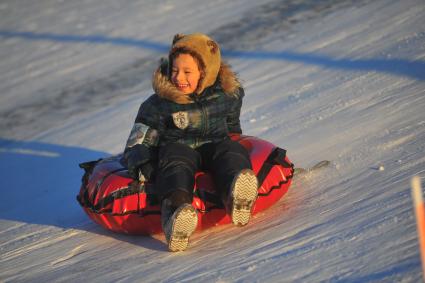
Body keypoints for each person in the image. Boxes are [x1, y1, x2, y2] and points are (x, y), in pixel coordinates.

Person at [123, 33, 258, 252]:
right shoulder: (159, 105)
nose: (179, 78)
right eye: (175, 70)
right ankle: (176, 214)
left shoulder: (226, 95)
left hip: (214, 143)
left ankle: (237, 197)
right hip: (179, 148)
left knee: (231, 150)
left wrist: (237, 140)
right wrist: (143, 166)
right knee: (176, 163)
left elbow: (233, 126)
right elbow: (137, 142)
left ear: (205, 73)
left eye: (187, 72)